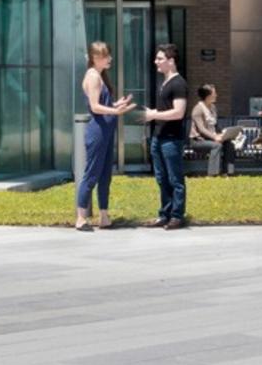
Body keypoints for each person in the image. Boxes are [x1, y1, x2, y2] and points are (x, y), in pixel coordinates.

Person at [74, 41, 136, 230]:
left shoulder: (100, 76)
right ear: (95, 58)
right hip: (98, 131)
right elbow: (95, 107)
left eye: (109, 55)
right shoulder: (93, 76)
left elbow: (103, 104)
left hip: (106, 130)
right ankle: (81, 218)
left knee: (105, 175)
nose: (110, 59)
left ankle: (104, 216)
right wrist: (116, 111)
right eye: (106, 56)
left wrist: (117, 104)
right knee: (92, 174)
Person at [139, 44, 192, 229]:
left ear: (171, 61)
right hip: (158, 137)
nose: (156, 62)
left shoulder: (179, 84)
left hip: (171, 139)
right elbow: (165, 110)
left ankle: (177, 216)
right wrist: (152, 113)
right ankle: (165, 214)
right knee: (161, 178)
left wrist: (153, 115)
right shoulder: (165, 83)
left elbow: (178, 112)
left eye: (160, 59)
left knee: (175, 179)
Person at [189, 82, 233, 177]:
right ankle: (212, 174)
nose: (216, 95)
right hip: (198, 141)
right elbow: (201, 129)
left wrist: (223, 134)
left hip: (211, 138)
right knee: (216, 146)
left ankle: (227, 172)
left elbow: (215, 125)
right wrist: (215, 137)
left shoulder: (213, 108)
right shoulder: (198, 109)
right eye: (214, 93)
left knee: (229, 144)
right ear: (208, 96)